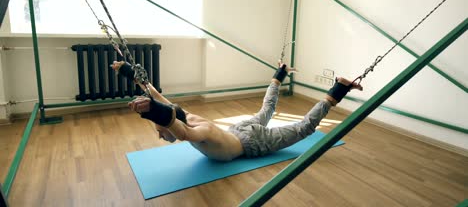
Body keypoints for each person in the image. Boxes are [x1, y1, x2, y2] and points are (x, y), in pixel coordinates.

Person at [112, 61, 363, 161]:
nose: (159, 136)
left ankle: (338, 90)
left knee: (304, 128)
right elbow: (157, 96)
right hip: (238, 132)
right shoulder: (185, 114)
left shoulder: (198, 128)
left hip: (252, 142)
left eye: (160, 130)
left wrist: (153, 114)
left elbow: (181, 133)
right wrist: (130, 74)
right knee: (267, 110)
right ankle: (281, 73)